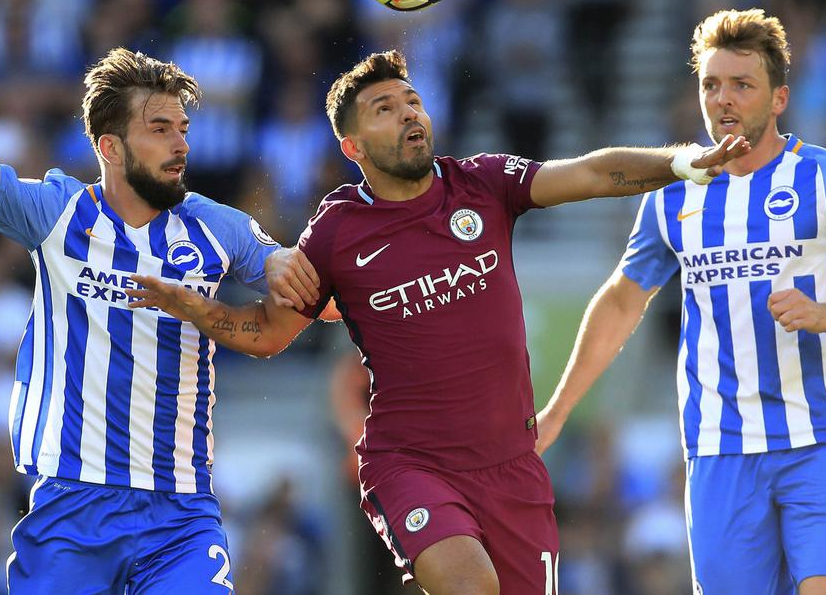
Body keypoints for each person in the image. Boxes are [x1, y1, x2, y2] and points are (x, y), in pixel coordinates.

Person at [125, 49, 750, 594]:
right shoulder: (338, 231)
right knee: (470, 583)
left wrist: (681, 164)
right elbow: (266, 332)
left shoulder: (482, 182)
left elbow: (588, 172)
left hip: (514, 466)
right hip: (411, 463)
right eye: (385, 110)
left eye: (412, 101)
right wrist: (192, 306)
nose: (408, 115)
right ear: (353, 147)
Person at [0, 0, 320, 593]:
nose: (180, 145)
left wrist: (286, 264)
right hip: (72, 507)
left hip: (181, 514)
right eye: (159, 129)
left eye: (184, 129)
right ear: (110, 147)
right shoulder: (55, 213)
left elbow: (288, 279)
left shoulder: (216, 227)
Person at [535, 9, 826, 595]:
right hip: (720, 450)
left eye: (742, 85)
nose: (723, 100)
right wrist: (558, 411)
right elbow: (621, 301)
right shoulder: (672, 194)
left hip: (821, 440)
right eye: (710, 85)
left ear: (779, 97)